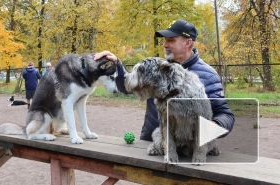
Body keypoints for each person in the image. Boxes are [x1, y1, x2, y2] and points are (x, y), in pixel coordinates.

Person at [94, 19, 235, 141]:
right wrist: (117, 64)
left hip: (184, 155)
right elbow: (127, 87)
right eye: (165, 40)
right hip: (150, 145)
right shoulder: (156, 68)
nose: (165, 44)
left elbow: (225, 115)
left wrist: (210, 129)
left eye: (171, 40)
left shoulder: (208, 75)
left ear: (188, 43)